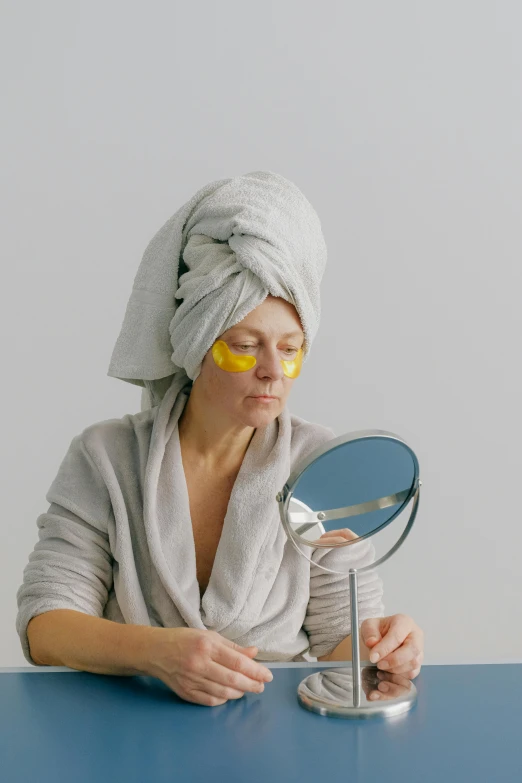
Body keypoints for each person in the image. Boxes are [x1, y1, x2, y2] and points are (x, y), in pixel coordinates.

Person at [16, 170, 423, 707]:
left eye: (291, 348)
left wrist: (384, 646)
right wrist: (156, 652)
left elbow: (338, 641)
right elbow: (46, 626)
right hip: (127, 725)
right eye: (245, 345)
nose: (273, 371)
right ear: (197, 346)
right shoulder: (106, 458)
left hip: (274, 735)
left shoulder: (323, 463)